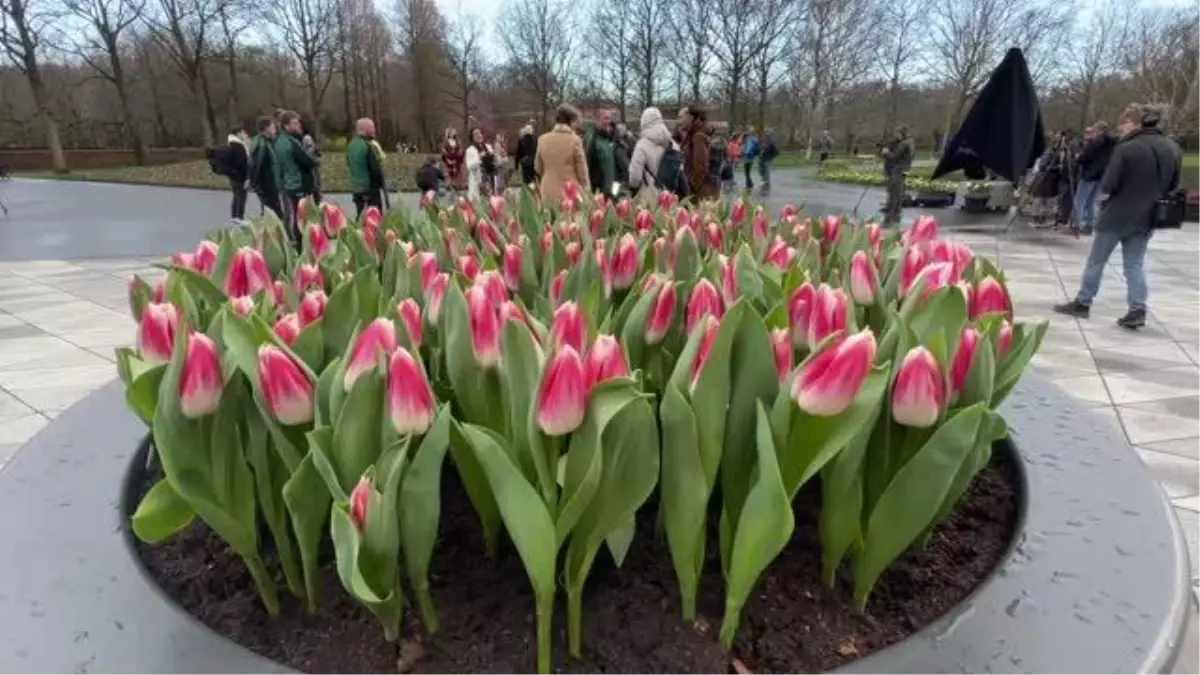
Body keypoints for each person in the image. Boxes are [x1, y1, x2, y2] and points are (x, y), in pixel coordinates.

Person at [1054, 104, 1182, 330]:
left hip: (1116, 214)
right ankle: (1137, 308)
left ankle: (1083, 302)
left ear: (1135, 123)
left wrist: (1102, 201)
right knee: (1134, 263)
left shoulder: (1127, 148)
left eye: (1124, 123)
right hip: (1148, 215)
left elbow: (1109, 184)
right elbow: (1173, 184)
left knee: (1096, 261)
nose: (1121, 128)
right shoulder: (1172, 148)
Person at [273, 110, 319, 243]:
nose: (299, 125)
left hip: (290, 183)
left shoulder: (279, 141)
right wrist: (315, 160)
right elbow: (305, 160)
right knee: (303, 217)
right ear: (286, 126)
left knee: (296, 214)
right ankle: (303, 244)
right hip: (299, 183)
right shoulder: (291, 142)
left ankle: (298, 242)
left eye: (298, 122)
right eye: (295, 123)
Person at [535, 104, 590, 205]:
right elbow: (582, 172)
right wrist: (586, 191)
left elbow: (538, 168)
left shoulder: (542, 140)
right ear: (571, 122)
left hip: (547, 189)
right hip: (569, 190)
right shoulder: (575, 140)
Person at [1073, 122, 1116, 235]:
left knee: (1080, 199)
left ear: (1099, 131)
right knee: (1092, 201)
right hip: (1102, 174)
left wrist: (1078, 157)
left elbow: (1086, 157)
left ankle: (1075, 223)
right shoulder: (1113, 144)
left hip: (1089, 174)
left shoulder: (1097, 142)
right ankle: (1090, 224)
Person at [628, 106, 676, 199]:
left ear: (643, 121)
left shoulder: (641, 145)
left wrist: (633, 187)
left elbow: (635, 178)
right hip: (670, 195)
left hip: (649, 197)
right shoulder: (672, 143)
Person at [347, 117, 385, 218]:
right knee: (374, 218)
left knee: (361, 217)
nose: (374, 130)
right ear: (365, 130)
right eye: (372, 128)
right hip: (370, 189)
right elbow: (375, 170)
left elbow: (349, 163)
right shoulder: (368, 145)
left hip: (356, 189)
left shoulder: (351, 145)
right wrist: (381, 183)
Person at [249, 116, 284, 222]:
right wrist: (256, 184)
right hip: (267, 185)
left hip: (268, 184)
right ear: (267, 128)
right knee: (275, 213)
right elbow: (256, 166)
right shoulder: (262, 146)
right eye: (273, 127)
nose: (275, 130)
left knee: (271, 212)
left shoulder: (264, 142)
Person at [880, 124, 914, 227]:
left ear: (902, 133)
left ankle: (891, 213)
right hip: (905, 170)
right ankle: (896, 211)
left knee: (894, 191)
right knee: (899, 191)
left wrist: (885, 153)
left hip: (898, 170)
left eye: (898, 133)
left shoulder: (904, 144)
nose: (896, 136)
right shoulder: (911, 142)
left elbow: (894, 157)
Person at [681, 105, 716, 201]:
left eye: (685, 116)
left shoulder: (698, 137)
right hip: (699, 189)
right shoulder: (693, 134)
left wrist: (691, 188)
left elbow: (701, 167)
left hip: (699, 192)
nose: (681, 120)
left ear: (692, 118)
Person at [586, 109, 619, 196]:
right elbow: (588, 162)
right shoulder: (592, 138)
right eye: (605, 118)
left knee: (614, 205)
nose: (608, 121)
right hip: (600, 186)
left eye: (609, 118)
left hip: (615, 184)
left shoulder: (615, 137)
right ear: (598, 120)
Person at [223, 127, 250, 223]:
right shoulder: (239, 146)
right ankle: (239, 217)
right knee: (242, 196)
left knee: (236, 195)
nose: (245, 135)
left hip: (233, 175)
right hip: (240, 176)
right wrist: (247, 177)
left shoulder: (230, 144)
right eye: (243, 133)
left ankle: (234, 215)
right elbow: (243, 162)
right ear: (238, 134)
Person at [465, 126, 495, 199]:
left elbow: (494, 162)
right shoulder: (470, 150)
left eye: (480, 133)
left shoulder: (488, 147)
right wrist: (479, 158)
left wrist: (495, 157)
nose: (479, 135)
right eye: (476, 134)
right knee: (479, 204)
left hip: (490, 179)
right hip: (478, 180)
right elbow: (469, 166)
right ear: (472, 137)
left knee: (490, 202)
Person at [300, 125, 322, 204]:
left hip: (311, 166)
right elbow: (309, 151)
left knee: (315, 185)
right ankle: (316, 202)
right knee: (315, 185)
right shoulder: (307, 138)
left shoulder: (304, 139)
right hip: (310, 167)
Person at [759, 127, 779, 193]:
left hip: (766, 156)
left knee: (765, 170)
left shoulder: (768, 138)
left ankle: (766, 183)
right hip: (768, 156)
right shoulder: (770, 137)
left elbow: (767, 146)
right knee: (765, 170)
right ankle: (765, 182)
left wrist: (763, 150)